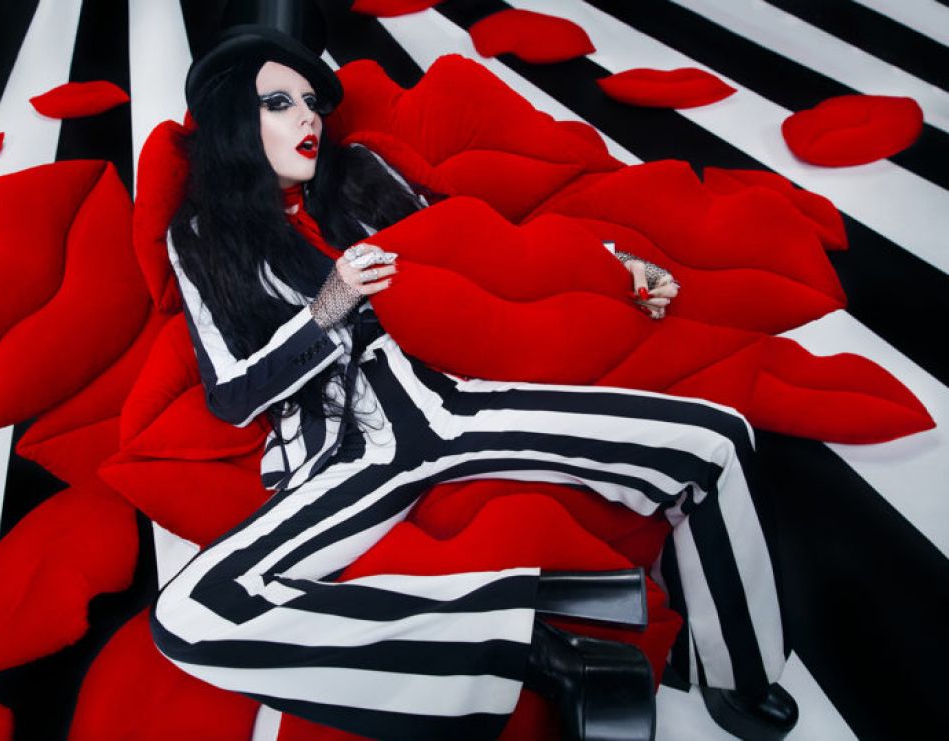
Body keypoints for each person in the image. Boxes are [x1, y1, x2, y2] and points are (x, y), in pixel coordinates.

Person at [150, 2, 798, 739]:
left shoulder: (361, 174)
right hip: (345, 449)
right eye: (278, 102)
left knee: (717, 441)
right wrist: (328, 307)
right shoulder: (202, 236)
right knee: (189, 614)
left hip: (453, 400)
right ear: (232, 118)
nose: (307, 118)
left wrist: (613, 265)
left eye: (311, 101)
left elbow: (487, 245)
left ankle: (739, 670)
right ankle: (537, 650)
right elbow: (233, 396)